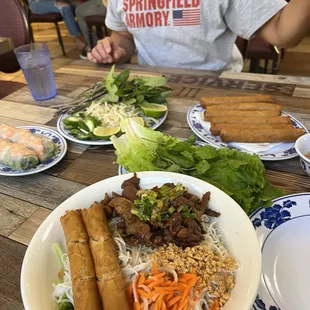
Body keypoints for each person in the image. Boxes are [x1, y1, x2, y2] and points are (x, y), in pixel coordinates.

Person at [87, 0, 310, 72]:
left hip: (219, 87)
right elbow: (122, 35)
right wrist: (115, 49)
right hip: (151, 88)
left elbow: (283, 33)